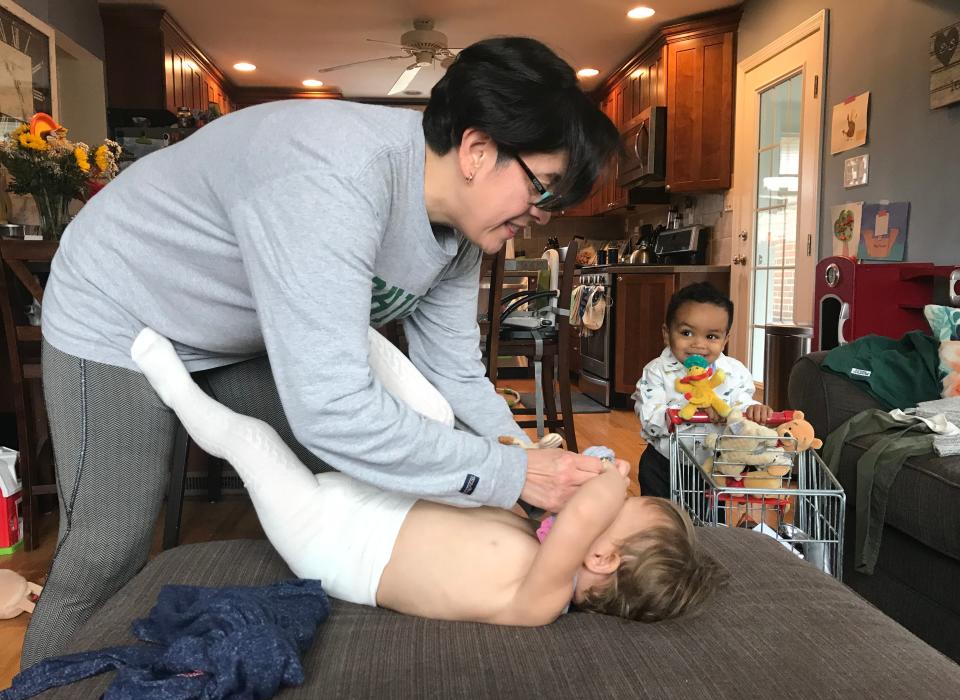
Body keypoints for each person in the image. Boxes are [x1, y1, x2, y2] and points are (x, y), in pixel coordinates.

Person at [26, 37, 620, 665]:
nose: (543, 215)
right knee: (108, 544)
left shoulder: (466, 234)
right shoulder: (333, 176)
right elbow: (333, 410)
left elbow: (454, 374)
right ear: (477, 150)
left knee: (353, 482)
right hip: (120, 308)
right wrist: (512, 477)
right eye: (543, 188)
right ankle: (31, 699)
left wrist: (523, 459)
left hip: (238, 330)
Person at [132, 327, 727, 624]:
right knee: (438, 415)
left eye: (618, 507)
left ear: (601, 558)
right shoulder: (534, 538)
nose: (608, 494)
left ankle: (167, 379)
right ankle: (336, 327)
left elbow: (585, 513)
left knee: (253, 441)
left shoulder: (539, 599)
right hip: (377, 501)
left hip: (330, 543)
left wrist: (611, 476)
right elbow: (505, 481)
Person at [632, 283, 775, 498]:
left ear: (725, 340)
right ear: (666, 333)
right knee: (660, 525)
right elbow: (650, 418)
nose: (698, 344)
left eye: (711, 337)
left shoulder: (733, 372)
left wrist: (754, 410)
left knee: (710, 528)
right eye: (687, 333)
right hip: (665, 465)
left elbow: (740, 403)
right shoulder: (657, 371)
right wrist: (693, 412)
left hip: (714, 467)